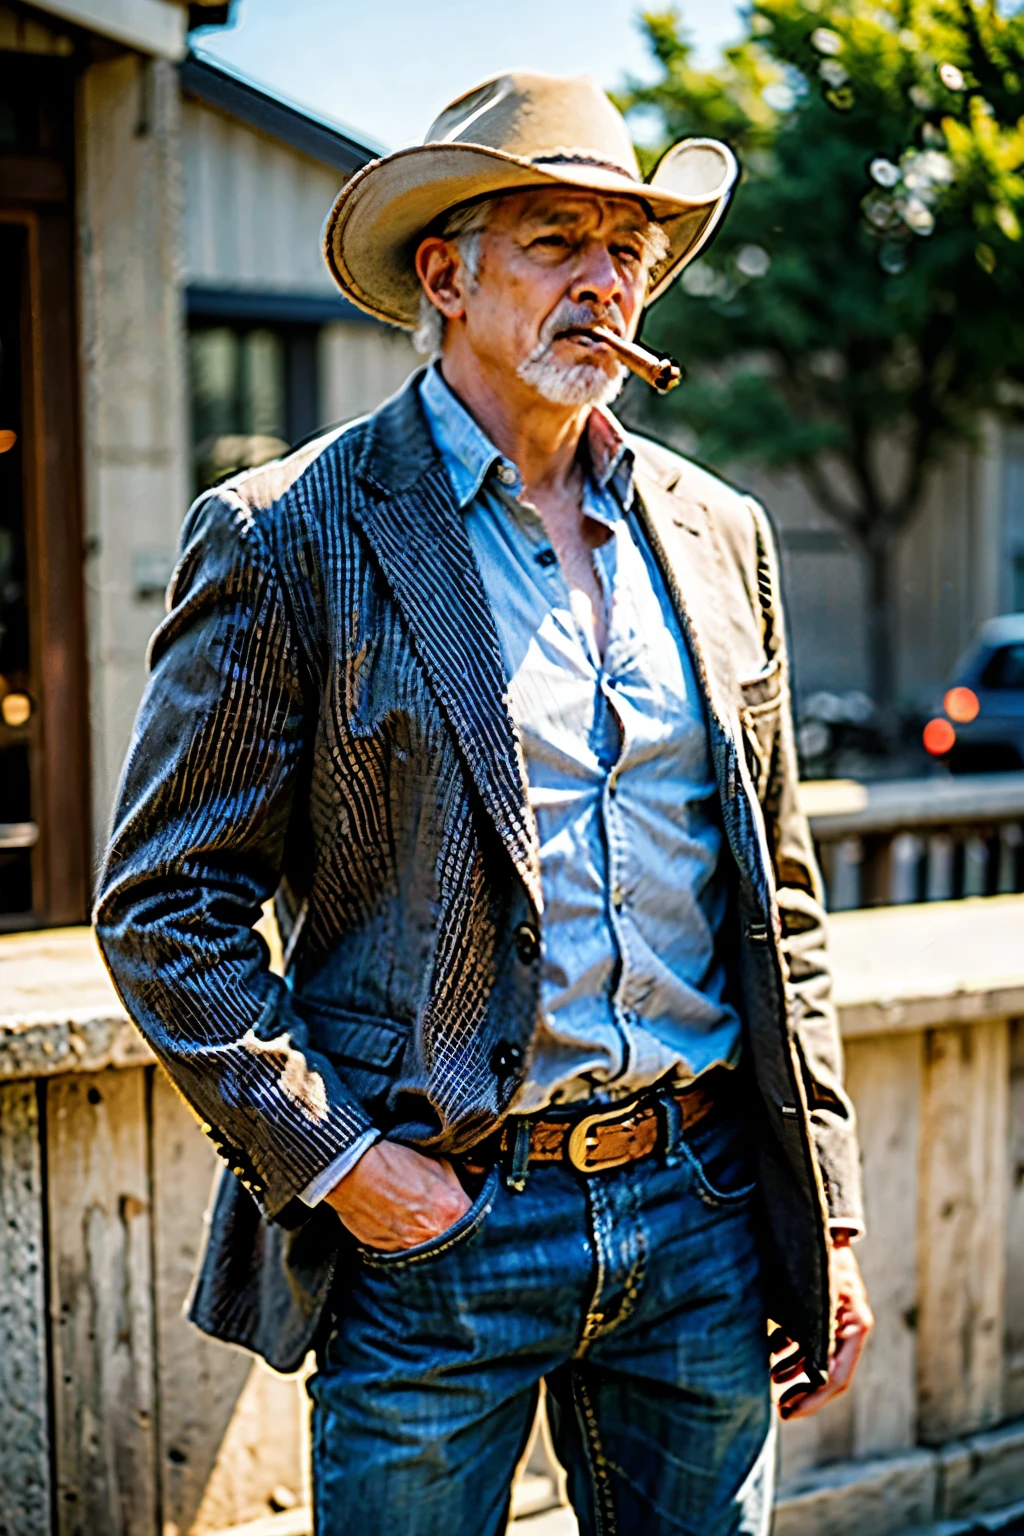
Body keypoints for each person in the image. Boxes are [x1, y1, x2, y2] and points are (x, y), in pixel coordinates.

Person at [95, 71, 872, 1536]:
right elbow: (161, 910)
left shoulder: (719, 532)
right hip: (435, 1231)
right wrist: (338, 1161)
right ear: (445, 274)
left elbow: (780, 894)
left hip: (704, 1216)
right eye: (557, 240)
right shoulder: (289, 533)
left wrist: (820, 1207)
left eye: (628, 251)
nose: (605, 282)